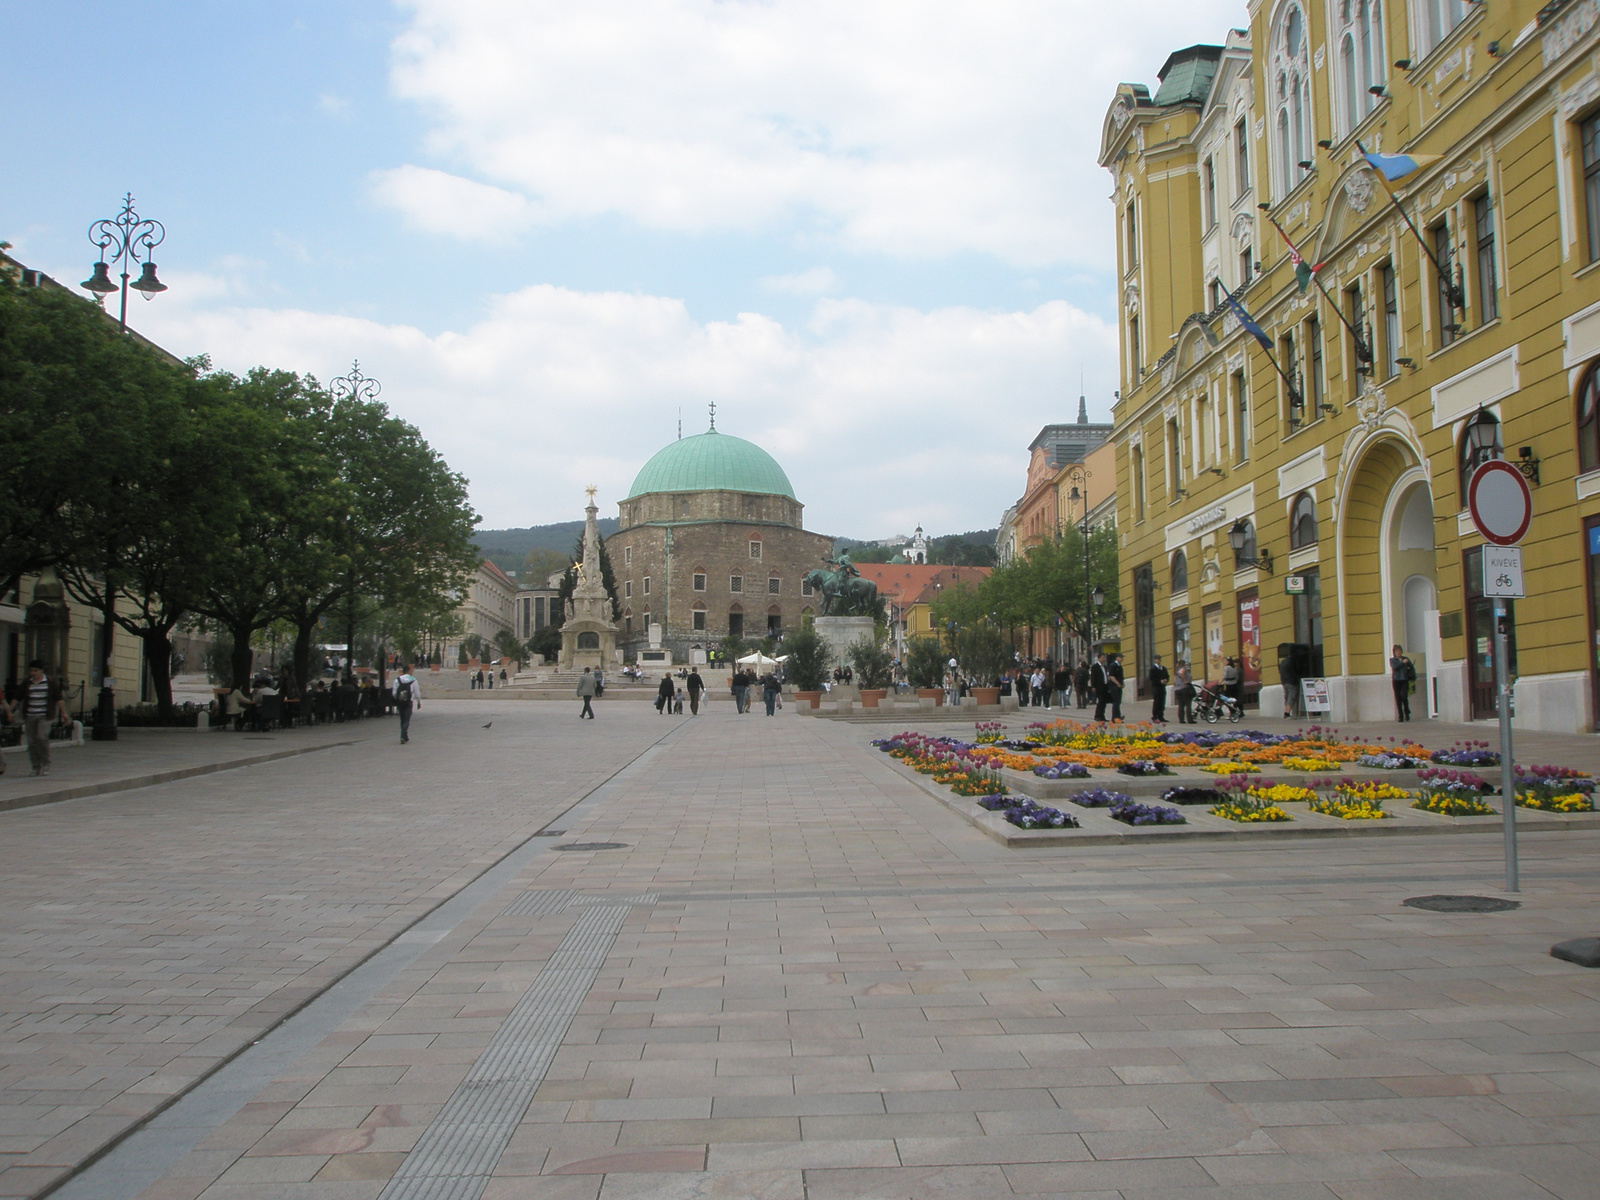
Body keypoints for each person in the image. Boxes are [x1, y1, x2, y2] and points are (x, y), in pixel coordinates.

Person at [14, 660, 70, 776]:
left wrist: (64, 713)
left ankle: (46, 763)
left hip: (45, 715)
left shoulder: (50, 682)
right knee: (32, 742)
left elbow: (58, 699)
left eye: (35, 671)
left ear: (41, 671)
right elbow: (17, 697)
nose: (32, 673)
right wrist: (9, 711)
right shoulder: (27, 683)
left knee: (41, 737)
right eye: (31, 670)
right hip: (30, 715)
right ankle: (35, 766)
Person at [393, 665, 421, 743]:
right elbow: (417, 692)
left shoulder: (397, 680)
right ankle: (403, 735)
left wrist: (397, 699)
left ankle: (404, 735)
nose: (412, 672)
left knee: (402, 718)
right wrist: (418, 702)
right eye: (411, 670)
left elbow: (394, 692)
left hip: (400, 701)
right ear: (408, 671)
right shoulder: (413, 680)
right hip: (409, 701)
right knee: (407, 718)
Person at [1389, 644, 1414, 721]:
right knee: (1398, 698)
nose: (1398, 652)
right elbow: (1394, 667)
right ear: (1394, 652)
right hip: (1396, 680)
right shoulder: (1393, 660)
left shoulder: (1406, 659)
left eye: (1399, 651)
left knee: (1404, 696)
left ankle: (1407, 711)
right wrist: (1402, 663)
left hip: (1404, 680)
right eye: (1397, 651)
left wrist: (1412, 677)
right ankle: (1401, 716)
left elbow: (1412, 668)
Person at [1278, 648, 1300, 719]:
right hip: (1291, 682)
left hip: (1284, 681)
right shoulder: (1291, 662)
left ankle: (1286, 712)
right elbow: (1293, 672)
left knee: (1287, 697)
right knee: (1291, 697)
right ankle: (1287, 713)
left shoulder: (1283, 661)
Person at [1147, 653, 1169, 723]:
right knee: (1157, 702)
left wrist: (1166, 680)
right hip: (1156, 687)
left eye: (1159, 659)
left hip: (1162, 687)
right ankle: (1155, 716)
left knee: (1162, 702)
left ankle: (1161, 716)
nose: (1158, 660)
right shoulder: (1153, 669)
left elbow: (1167, 676)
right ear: (1155, 660)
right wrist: (1159, 681)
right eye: (1157, 659)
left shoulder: (1163, 668)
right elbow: (1152, 678)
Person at [1090, 652, 1110, 722]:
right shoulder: (1095, 667)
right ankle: (1097, 715)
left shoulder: (1104, 667)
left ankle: (1102, 716)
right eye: (1103, 657)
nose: (1104, 659)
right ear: (1099, 658)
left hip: (1105, 686)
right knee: (1101, 701)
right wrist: (1093, 686)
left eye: (1104, 657)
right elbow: (1093, 677)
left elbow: (1106, 676)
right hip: (1098, 686)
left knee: (1104, 702)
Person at [1107, 653, 1125, 721]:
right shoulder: (1113, 665)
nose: (1122, 659)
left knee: (1118, 702)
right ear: (1117, 658)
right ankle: (1115, 717)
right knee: (1116, 702)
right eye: (1121, 657)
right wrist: (1117, 683)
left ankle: (1118, 716)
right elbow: (1111, 676)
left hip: (1119, 686)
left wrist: (1122, 683)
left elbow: (1121, 676)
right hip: (1114, 686)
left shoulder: (1119, 666)